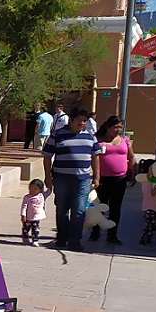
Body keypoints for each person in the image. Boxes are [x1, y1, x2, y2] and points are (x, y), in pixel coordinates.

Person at [43, 108, 103, 252]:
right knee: (62, 209)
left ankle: (75, 241)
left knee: (79, 210)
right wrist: (48, 176)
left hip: (82, 180)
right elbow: (47, 156)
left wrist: (96, 177)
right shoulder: (58, 134)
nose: (82, 123)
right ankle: (62, 238)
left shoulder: (90, 136)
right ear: (71, 119)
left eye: (85, 121)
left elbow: (95, 157)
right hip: (61, 179)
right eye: (79, 120)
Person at [92, 117, 134, 245]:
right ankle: (95, 231)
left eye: (120, 127)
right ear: (108, 127)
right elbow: (92, 157)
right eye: (115, 127)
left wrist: (132, 172)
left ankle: (112, 234)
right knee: (100, 206)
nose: (118, 130)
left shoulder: (124, 140)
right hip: (102, 179)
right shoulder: (98, 140)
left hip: (120, 179)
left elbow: (131, 156)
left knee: (115, 208)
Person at [20, 179, 46, 245]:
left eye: (35, 188)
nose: (33, 190)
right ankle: (25, 238)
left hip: (36, 217)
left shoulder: (41, 196)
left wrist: (50, 184)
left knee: (36, 229)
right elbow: (24, 207)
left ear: (40, 189)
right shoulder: (27, 197)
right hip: (28, 217)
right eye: (31, 188)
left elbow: (49, 191)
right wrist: (23, 215)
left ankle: (35, 240)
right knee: (26, 229)